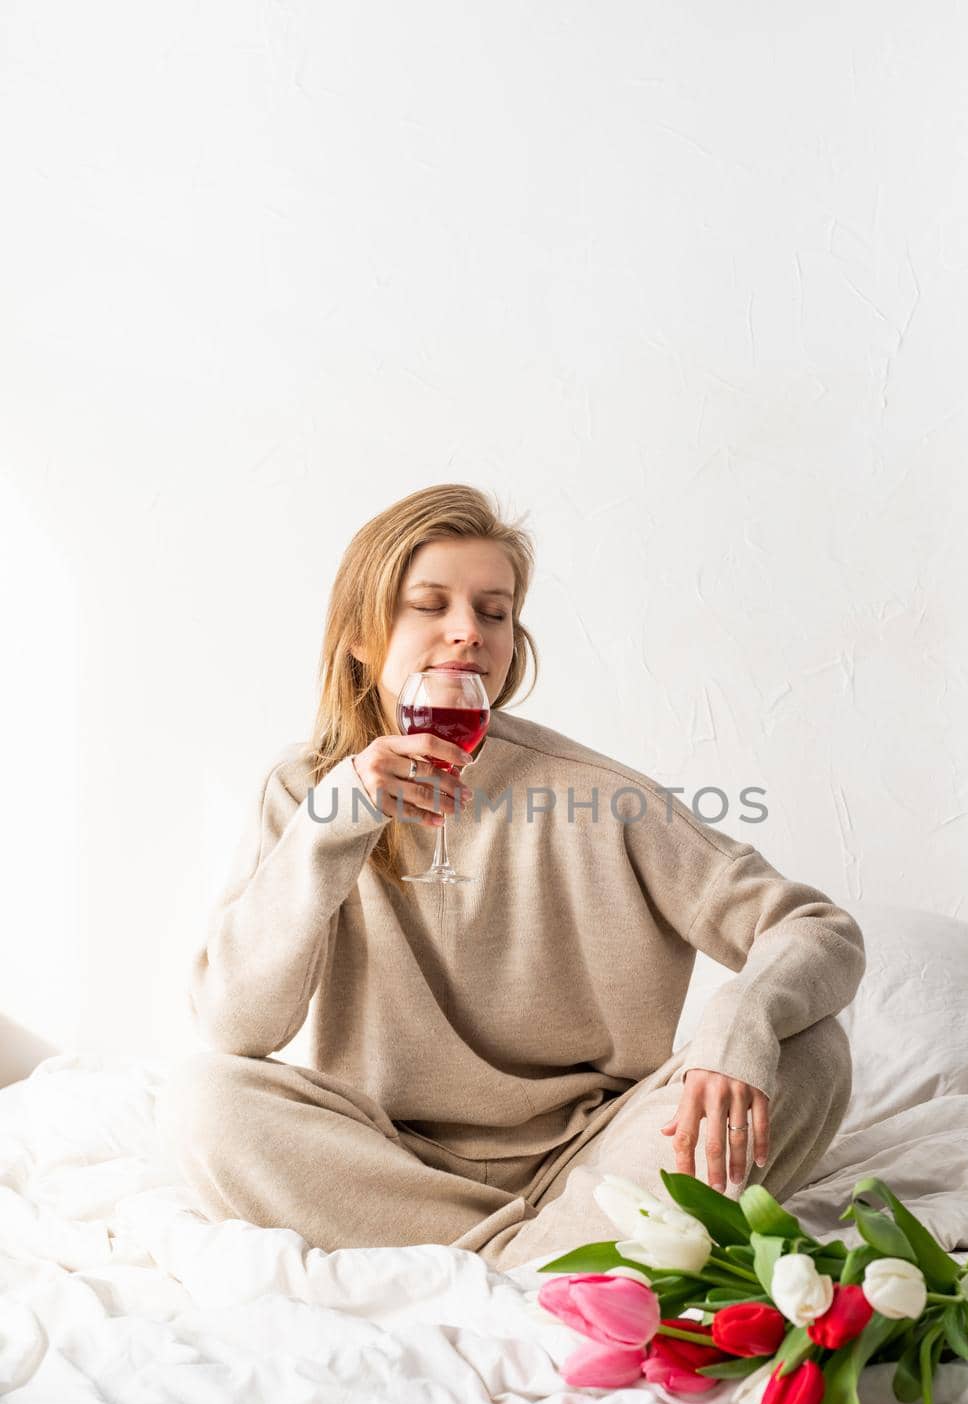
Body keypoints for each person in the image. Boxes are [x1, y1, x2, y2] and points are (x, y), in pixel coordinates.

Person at [156, 484, 865, 1273]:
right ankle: (554, 1259)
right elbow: (234, 1030)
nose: (467, 633)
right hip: (389, 1162)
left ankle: (504, 1260)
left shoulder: (601, 797)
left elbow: (817, 931)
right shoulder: (303, 794)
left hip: (596, 1157)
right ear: (361, 635)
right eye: (431, 604)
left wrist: (743, 1020)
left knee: (810, 1050)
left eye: (493, 612)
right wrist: (338, 822)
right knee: (205, 1104)